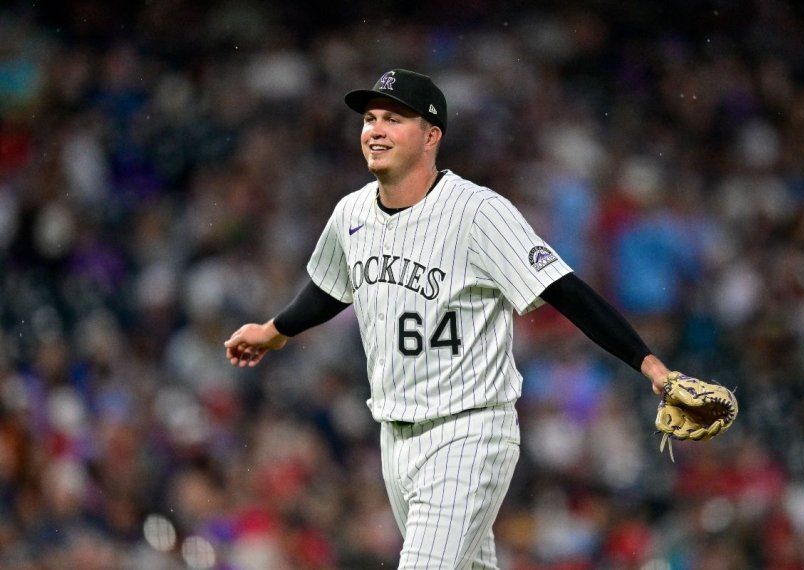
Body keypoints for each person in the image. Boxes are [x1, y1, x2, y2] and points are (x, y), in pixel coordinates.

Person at [225, 69, 671, 569]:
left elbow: (566, 292)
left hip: (470, 430)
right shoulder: (350, 214)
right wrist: (273, 332)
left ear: (432, 135)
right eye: (370, 119)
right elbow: (330, 289)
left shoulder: (478, 212)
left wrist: (650, 366)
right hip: (394, 437)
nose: (374, 130)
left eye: (393, 119)